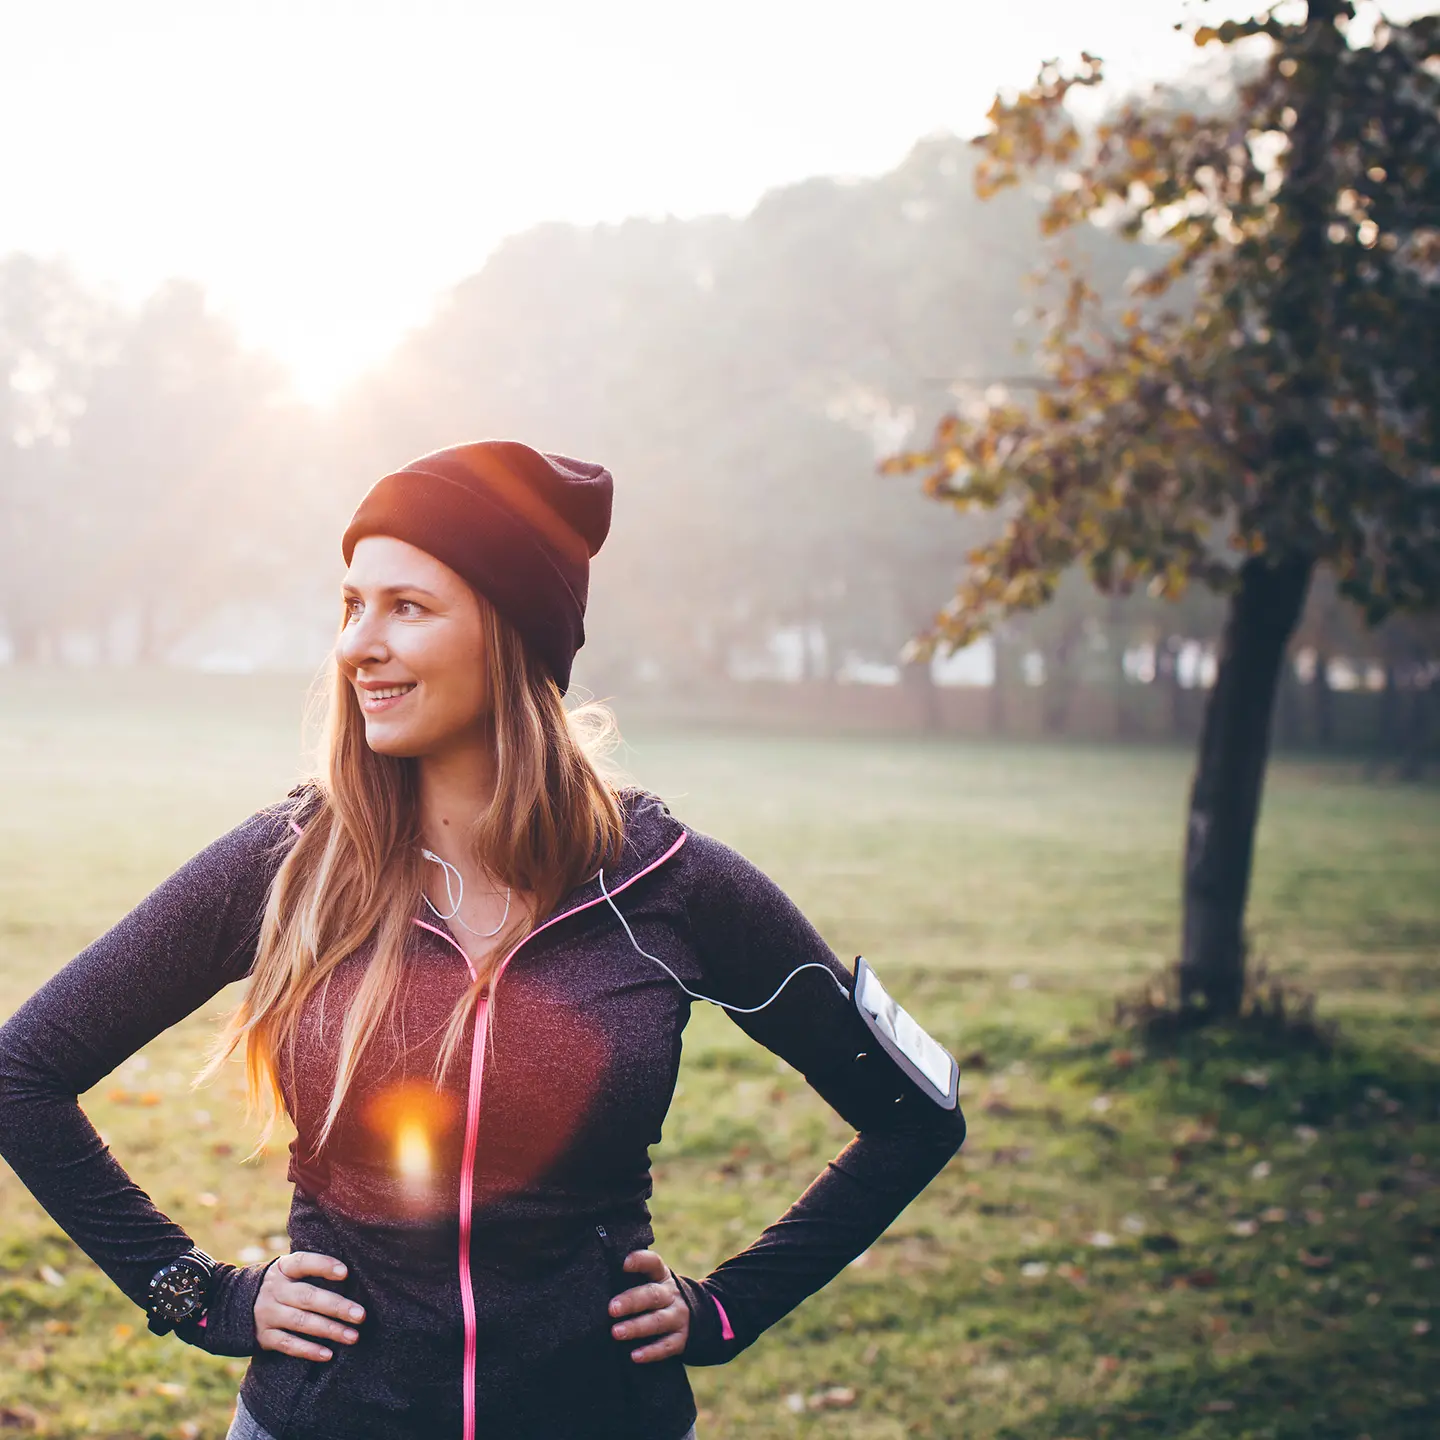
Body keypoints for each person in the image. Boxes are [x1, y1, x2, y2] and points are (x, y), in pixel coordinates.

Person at [0, 440, 967, 1440]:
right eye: (352, 606)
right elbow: (21, 1072)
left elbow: (914, 1119)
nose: (357, 645)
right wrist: (198, 1295)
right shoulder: (293, 860)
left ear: (511, 634)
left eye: (407, 607)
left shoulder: (668, 884)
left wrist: (729, 1309)